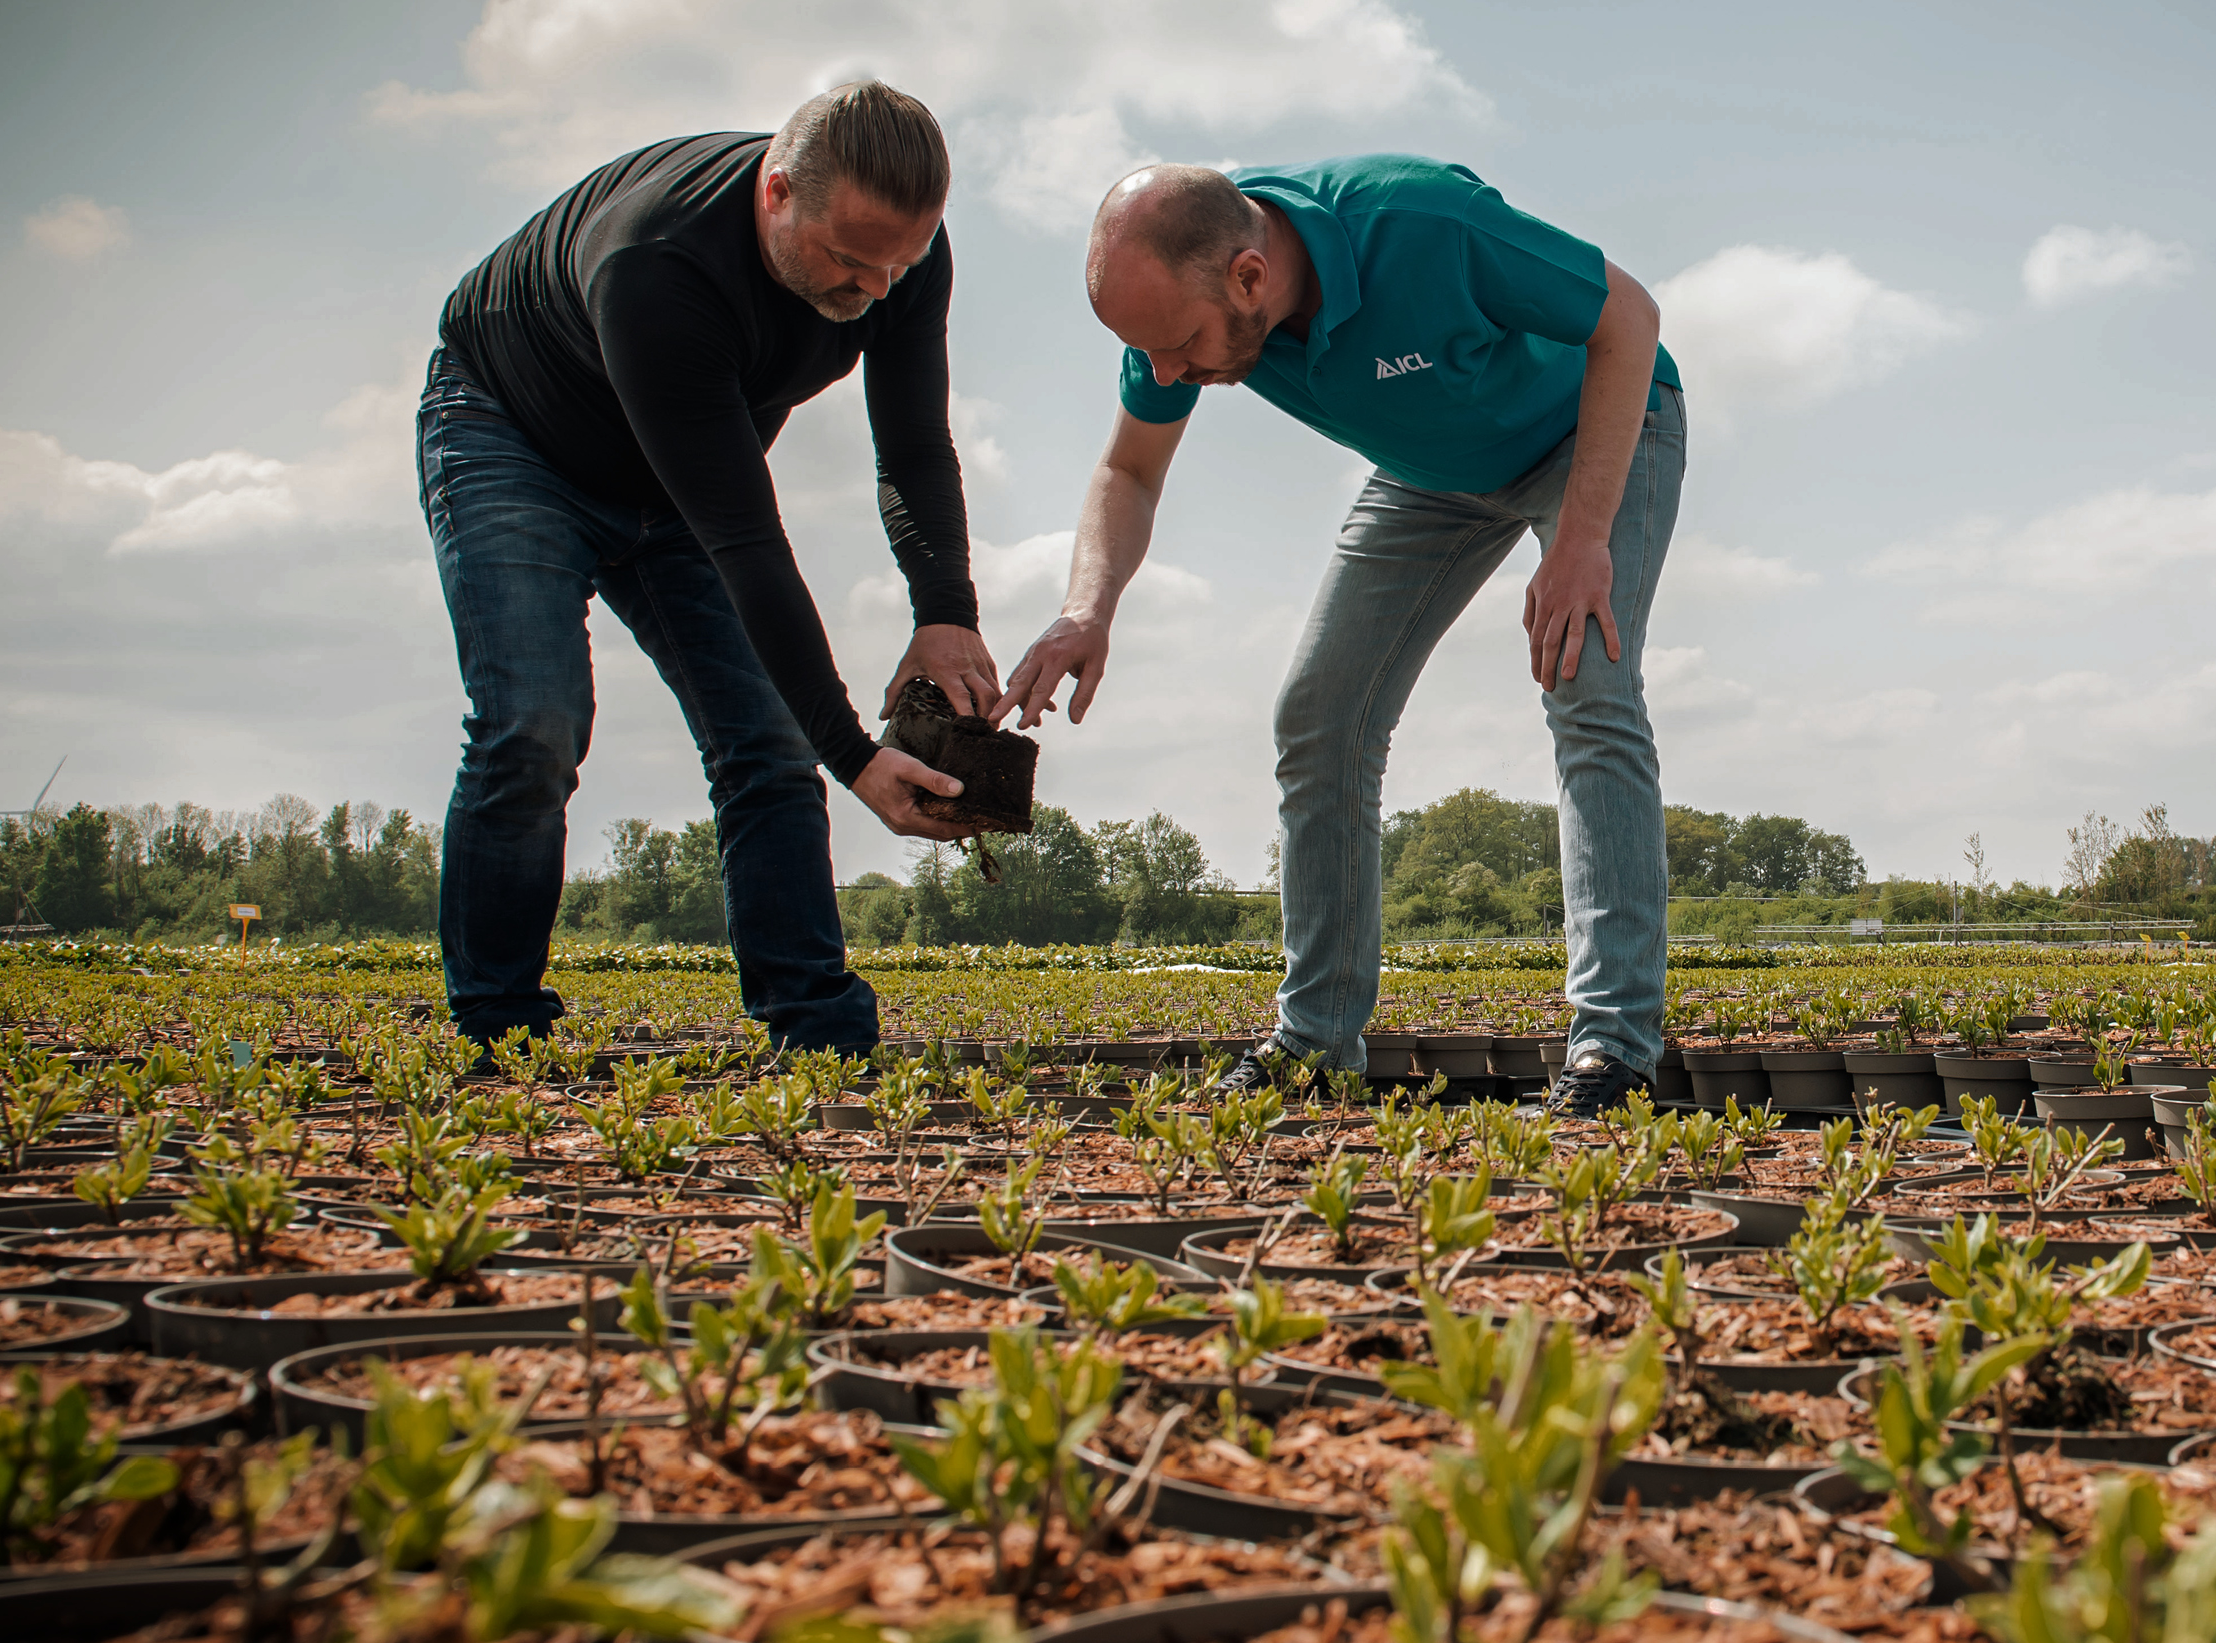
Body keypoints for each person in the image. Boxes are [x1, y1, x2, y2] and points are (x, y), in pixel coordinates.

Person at [1000, 156, 1682, 1118]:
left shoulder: (1419, 223)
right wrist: (1088, 607)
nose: (1167, 372)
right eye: (1148, 351)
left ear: (1248, 276)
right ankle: (1316, 1042)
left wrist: (1580, 540)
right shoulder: (1171, 309)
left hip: (1591, 431)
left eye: (1182, 345)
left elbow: (1630, 319)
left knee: (1586, 679)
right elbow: (1131, 471)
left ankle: (1613, 1050)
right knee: (1318, 716)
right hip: (1429, 472)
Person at [422, 81, 995, 1055]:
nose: (872, 292)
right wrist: (854, 755)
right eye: (850, 263)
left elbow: (912, 445)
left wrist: (945, 609)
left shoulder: (901, 257)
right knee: (534, 723)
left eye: (896, 266)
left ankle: (814, 1031)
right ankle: (500, 1033)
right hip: (514, 437)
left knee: (768, 745)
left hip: (677, 475)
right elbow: (746, 543)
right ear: (776, 192)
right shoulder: (659, 262)